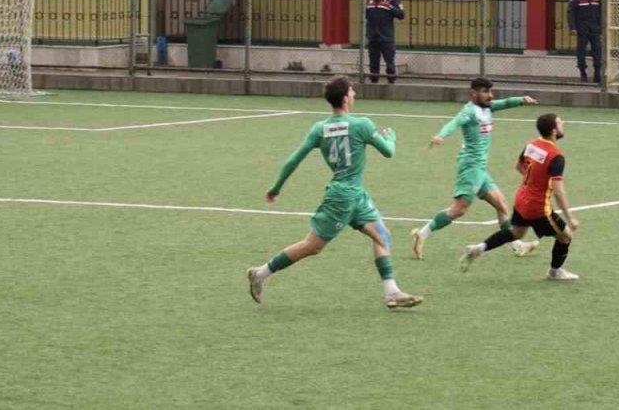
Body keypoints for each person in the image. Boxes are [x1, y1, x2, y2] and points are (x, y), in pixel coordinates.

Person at [246, 74, 422, 309]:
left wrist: (275, 188)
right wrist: (392, 138)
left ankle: (392, 292)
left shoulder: (320, 128)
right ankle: (261, 273)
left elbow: (293, 160)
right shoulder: (362, 125)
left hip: (355, 196)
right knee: (312, 246)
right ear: (346, 97)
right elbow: (388, 152)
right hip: (342, 197)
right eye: (352, 91)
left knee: (383, 236)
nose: (355, 94)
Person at [410, 77, 538, 260]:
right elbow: (454, 123)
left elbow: (506, 102)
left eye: (490, 91)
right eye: (485, 92)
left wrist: (521, 100)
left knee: (501, 204)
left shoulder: (488, 107)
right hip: (471, 167)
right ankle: (421, 234)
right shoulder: (469, 111)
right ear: (474, 94)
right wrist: (441, 135)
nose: (490, 95)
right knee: (459, 209)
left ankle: (517, 245)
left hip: (480, 169)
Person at [459, 112, 580, 281]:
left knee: (517, 233)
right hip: (538, 208)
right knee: (566, 236)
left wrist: (533, 183)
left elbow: (519, 166)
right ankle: (555, 271)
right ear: (553, 131)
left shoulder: (532, 144)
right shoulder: (556, 156)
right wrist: (570, 217)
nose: (563, 124)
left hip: (521, 199)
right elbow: (558, 191)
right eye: (560, 123)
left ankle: (479, 248)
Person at [365, 0, 404, 84]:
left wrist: (390, 7)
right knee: (373, 62)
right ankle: (374, 81)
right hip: (373, 36)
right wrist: (368, 34)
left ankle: (391, 81)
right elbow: (367, 16)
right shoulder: (370, 0)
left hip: (386, 37)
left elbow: (401, 15)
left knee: (389, 61)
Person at [567, 0, 602, 83]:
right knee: (581, 51)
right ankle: (583, 73)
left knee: (597, 50)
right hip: (582, 27)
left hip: (594, 27)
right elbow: (571, 11)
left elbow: (600, 11)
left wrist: (601, 26)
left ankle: (597, 73)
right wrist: (573, 27)